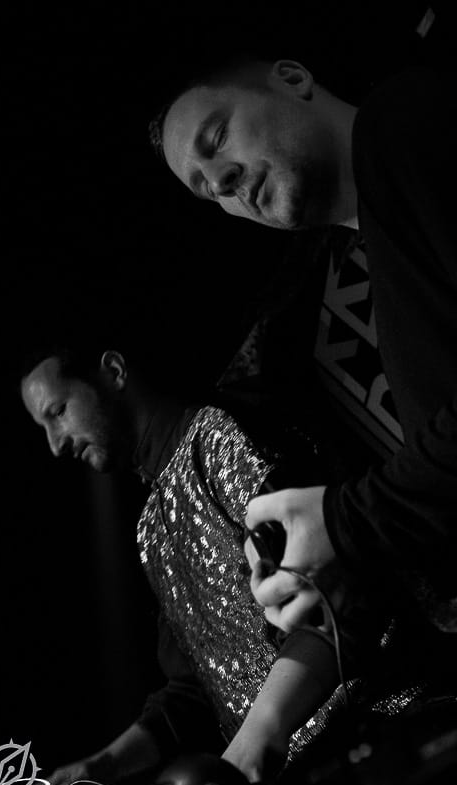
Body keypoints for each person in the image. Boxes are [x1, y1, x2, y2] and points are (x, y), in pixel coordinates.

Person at [19, 335, 428, 785]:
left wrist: (244, 754)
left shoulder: (217, 437)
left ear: (113, 372)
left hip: (385, 745)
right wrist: (101, 767)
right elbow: (193, 690)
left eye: (58, 412)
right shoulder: (150, 529)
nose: (55, 445)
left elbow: (336, 598)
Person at [148, 22, 457, 636]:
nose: (224, 184)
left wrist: (346, 523)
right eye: (208, 192)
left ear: (293, 79)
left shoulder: (404, 124)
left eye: (218, 137)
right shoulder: (383, 254)